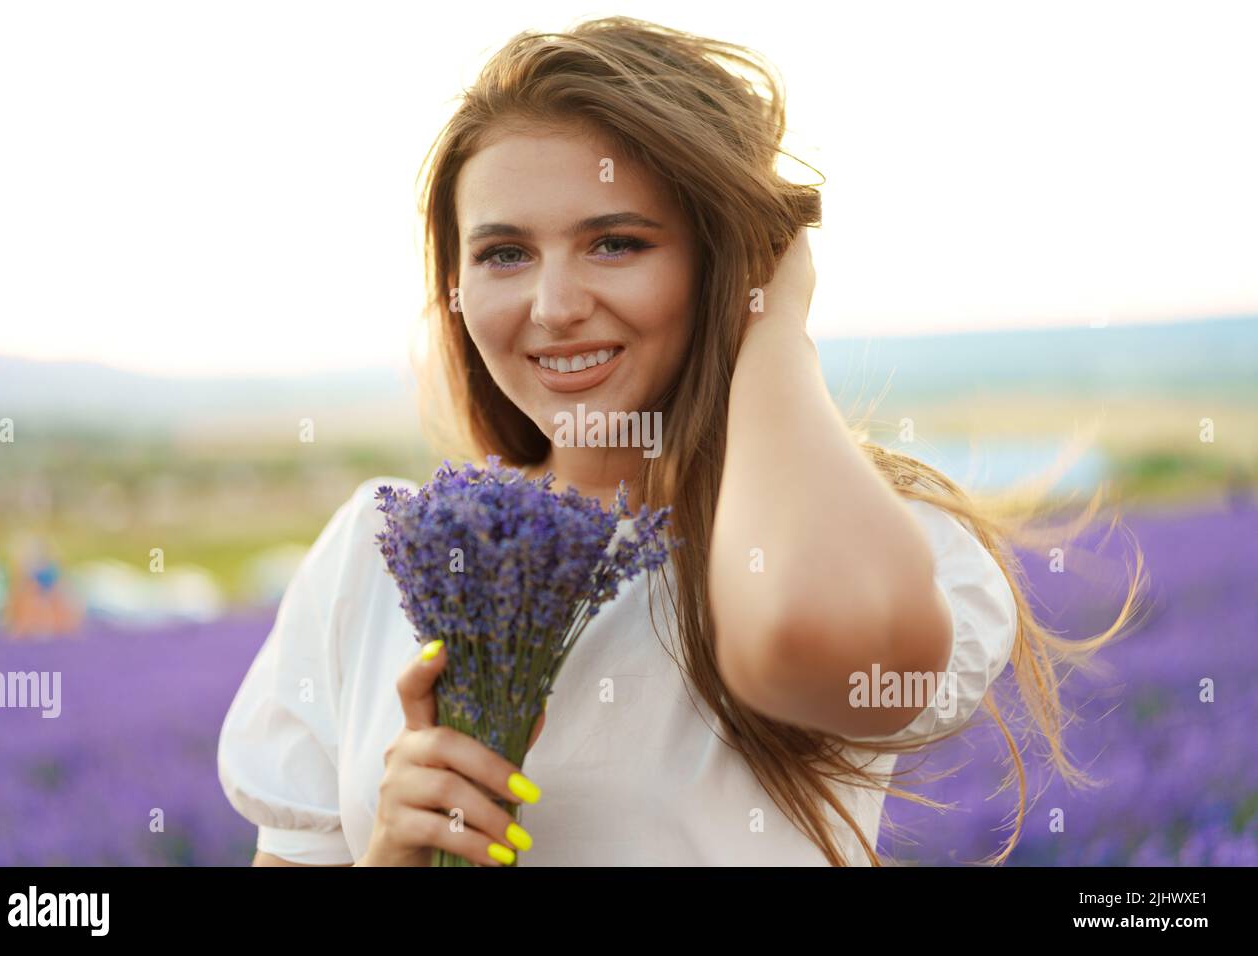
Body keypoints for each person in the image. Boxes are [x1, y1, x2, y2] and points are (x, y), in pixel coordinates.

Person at [218, 16, 1144, 867]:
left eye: (616, 242)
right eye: (504, 254)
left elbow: (806, 630)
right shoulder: (378, 559)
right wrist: (393, 853)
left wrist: (774, 323)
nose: (554, 307)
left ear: (724, 257)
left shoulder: (872, 542)